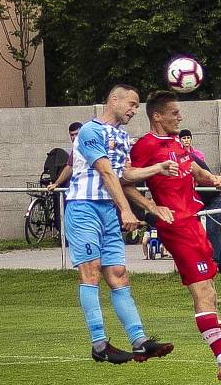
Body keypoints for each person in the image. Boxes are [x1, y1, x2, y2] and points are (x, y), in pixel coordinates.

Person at [128, 90, 221, 385]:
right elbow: (125, 177)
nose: (180, 116)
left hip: (192, 222)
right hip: (176, 226)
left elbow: (193, 168)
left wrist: (212, 178)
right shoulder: (146, 145)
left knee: (210, 292)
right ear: (157, 116)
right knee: (202, 292)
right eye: (174, 112)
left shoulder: (176, 143)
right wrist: (151, 206)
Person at [65, 85, 177, 365]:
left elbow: (124, 174)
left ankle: (140, 341)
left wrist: (157, 168)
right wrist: (126, 210)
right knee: (91, 273)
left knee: (118, 273)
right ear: (113, 99)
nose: (134, 110)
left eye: (137, 106)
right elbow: (105, 171)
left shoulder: (121, 136)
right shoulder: (90, 131)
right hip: (84, 207)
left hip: (106, 210)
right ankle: (99, 343)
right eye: (132, 103)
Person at [180, 128, 221, 273]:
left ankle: (213, 264)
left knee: (212, 232)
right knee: (212, 232)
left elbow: (208, 177)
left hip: (213, 198)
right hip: (199, 201)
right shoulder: (179, 161)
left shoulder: (192, 159)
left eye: (188, 138)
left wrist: (217, 181)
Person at [47, 122, 84, 234]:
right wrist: (56, 183)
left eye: (76, 134)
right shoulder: (76, 150)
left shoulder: (89, 146)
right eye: (71, 135)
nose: (73, 138)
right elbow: (69, 167)